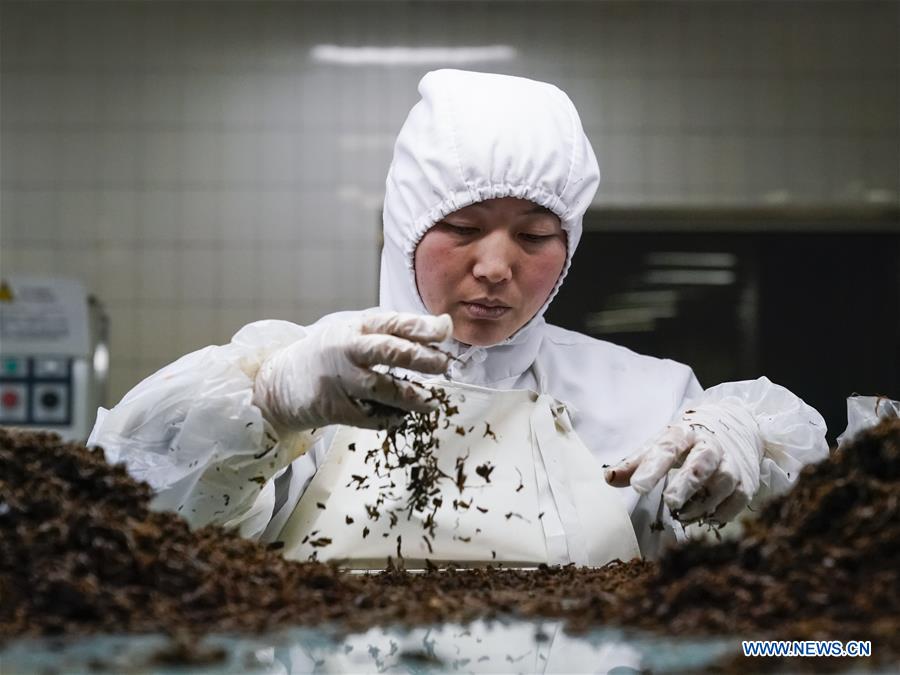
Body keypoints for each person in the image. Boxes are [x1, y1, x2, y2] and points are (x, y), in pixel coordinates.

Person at [89, 70, 827, 566]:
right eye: (465, 227)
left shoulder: (648, 399)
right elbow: (123, 530)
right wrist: (268, 407)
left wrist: (749, 455)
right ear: (405, 226)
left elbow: (774, 597)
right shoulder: (304, 378)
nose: (497, 266)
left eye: (536, 237)